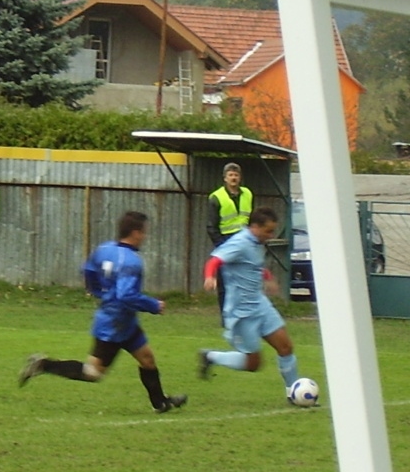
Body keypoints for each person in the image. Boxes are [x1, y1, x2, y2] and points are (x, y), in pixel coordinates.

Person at [18, 211, 187, 414]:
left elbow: (88, 270)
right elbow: (126, 295)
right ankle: (44, 365)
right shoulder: (131, 261)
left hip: (124, 321)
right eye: (144, 232)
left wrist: (100, 291)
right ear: (135, 233)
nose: (145, 237)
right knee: (93, 373)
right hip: (113, 325)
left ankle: (160, 403)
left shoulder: (105, 249)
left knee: (147, 359)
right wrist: (153, 305)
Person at [198, 206, 301, 402]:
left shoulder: (256, 243)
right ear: (254, 227)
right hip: (242, 312)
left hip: (260, 305)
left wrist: (268, 277)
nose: (271, 236)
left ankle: (293, 393)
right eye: (268, 231)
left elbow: (253, 266)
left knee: (286, 347)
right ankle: (210, 356)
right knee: (253, 363)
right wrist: (209, 277)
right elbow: (214, 260)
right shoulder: (239, 242)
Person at [207, 162, 253, 323]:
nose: (233, 178)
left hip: (244, 241)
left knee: (244, 279)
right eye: (231, 175)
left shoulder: (247, 194)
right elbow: (211, 226)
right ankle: (226, 317)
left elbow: (250, 218)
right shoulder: (216, 197)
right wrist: (221, 246)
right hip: (226, 241)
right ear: (225, 178)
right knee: (225, 283)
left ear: (240, 178)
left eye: (236, 175)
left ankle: (243, 315)